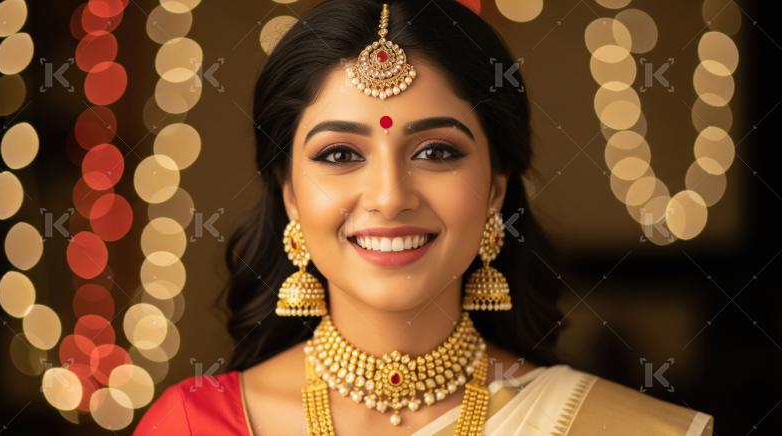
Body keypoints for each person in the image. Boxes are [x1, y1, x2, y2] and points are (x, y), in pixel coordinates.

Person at [135, 0, 714, 434]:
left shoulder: (618, 427)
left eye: (436, 151)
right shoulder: (193, 422)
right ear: (289, 192)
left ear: (495, 187)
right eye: (340, 155)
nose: (390, 197)